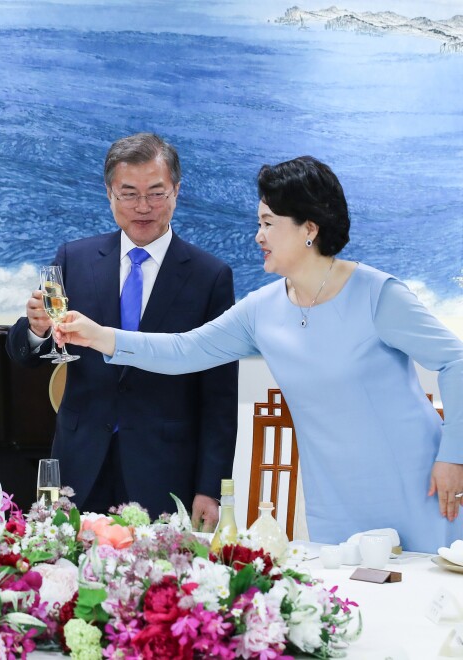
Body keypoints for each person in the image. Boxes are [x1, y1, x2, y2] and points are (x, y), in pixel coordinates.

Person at [56, 155, 463, 552]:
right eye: (258, 223)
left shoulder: (378, 295)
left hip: (421, 481)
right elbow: (184, 349)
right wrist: (101, 336)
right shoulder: (262, 310)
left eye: (268, 223)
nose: (258, 236)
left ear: (309, 227)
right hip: (334, 493)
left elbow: (456, 361)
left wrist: (453, 457)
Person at [6, 133, 238, 527]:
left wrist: (210, 487)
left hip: (164, 470)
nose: (143, 207)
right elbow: (26, 355)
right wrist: (36, 329)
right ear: (109, 195)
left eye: (156, 193)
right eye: (129, 193)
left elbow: (219, 395)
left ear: (177, 192)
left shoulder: (209, 276)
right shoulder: (74, 258)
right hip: (79, 464)